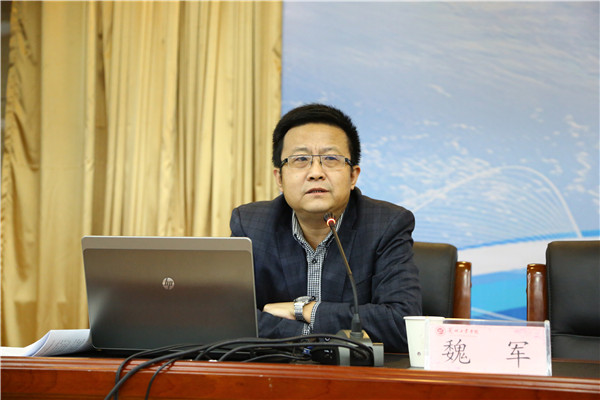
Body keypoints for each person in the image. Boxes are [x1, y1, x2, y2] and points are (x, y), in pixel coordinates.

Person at [229, 103, 421, 352]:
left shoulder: (387, 225)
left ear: (353, 176)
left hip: (355, 374)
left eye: (330, 159)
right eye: (300, 159)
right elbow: (229, 316)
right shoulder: (251, 224)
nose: (316, 173)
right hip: (276, 370)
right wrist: (310, 337)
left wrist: (304, 310)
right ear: (279, 178)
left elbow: (401, 323)